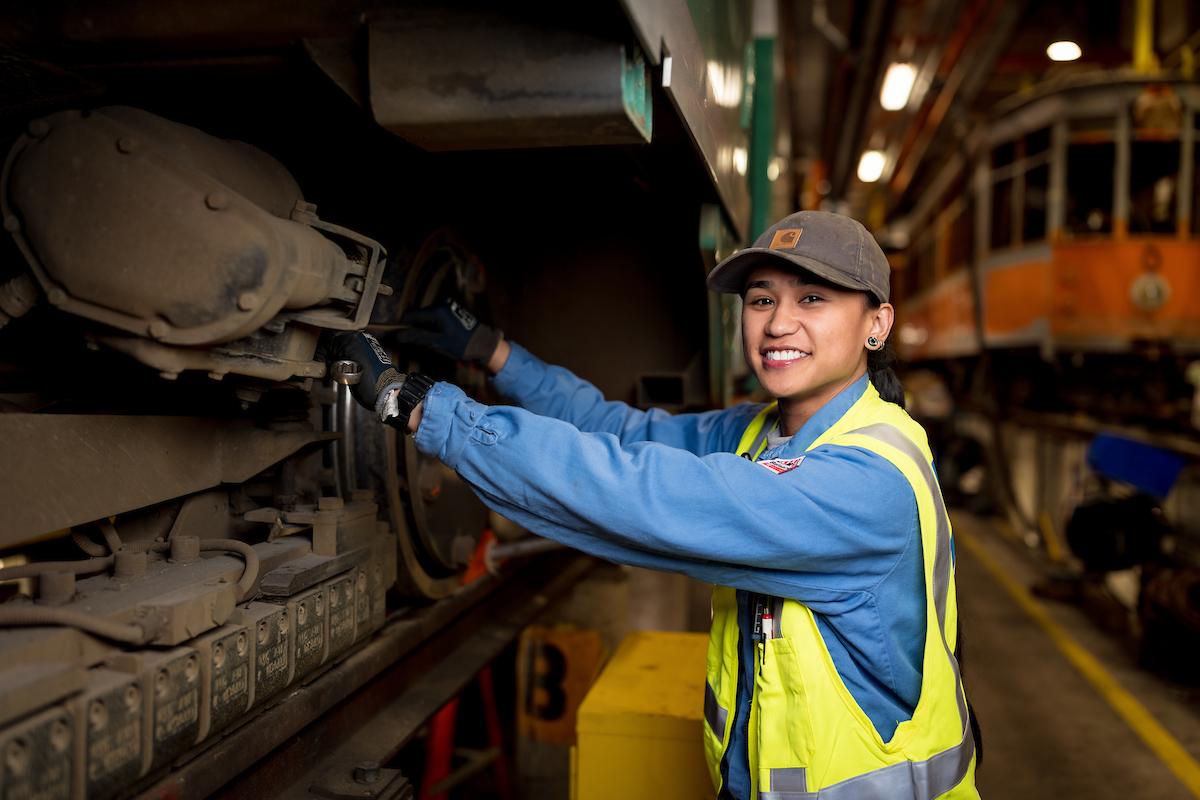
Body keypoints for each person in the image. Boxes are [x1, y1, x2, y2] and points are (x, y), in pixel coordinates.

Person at [327, 210, 979, 799]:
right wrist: (494, 353)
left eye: (813, 298)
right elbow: (625, 433)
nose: (779, 323)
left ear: (877, 323)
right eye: (761, 299)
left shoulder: (866, 479)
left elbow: (640, 492)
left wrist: (424, 409)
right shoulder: (765, 433)